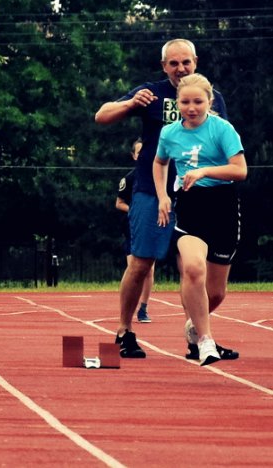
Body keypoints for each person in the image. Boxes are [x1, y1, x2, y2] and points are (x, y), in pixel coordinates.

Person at [94, 38, 233, 359]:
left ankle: (198, 336)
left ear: (195, 62)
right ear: (164, 66)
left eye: (186, 62)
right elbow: (101, 115)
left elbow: (224, 141)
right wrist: (130, 104)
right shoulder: (151, 93)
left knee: (197, 273)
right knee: (141, 263)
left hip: (196, 196)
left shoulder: (212, 98)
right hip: (150, 191)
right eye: (173, 63)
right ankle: (124, 331)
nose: (180, 68)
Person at [153, 73, 246, 366]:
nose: (191, 107)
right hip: (191, 205)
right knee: (193, 268)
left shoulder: (222, 130)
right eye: (185, 102)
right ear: (177, 102)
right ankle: (206, 342)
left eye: (197, 101)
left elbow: (240, 170)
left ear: (209, 101)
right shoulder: (169, 133)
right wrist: (163, 196)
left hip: (223, 205)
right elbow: (159, 162)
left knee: (216, 292)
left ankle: (194, 328)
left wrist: (205, 171)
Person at [115, 139, 154, 323]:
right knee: (135, 268)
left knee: (150, 270)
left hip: (151, 227)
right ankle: (126, 309)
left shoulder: (158, 175)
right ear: (134, 156)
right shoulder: (129, 179)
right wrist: (136, 209)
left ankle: (144, 308)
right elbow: (119, 203)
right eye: (139, 152)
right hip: (133, 228)